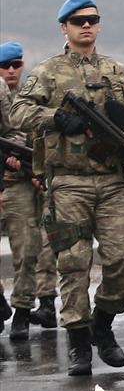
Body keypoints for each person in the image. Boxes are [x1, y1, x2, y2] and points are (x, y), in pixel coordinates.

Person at [11, 0, 124, 376]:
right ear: (65, 28)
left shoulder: (116, 72)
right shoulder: (47, 72)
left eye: (92, 20)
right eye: (78, 22)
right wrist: (55, 118)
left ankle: (102, 323)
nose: (86, 27)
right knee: (72, 263)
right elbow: (21, 111)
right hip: (68, 181)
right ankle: (77, 342)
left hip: (112, 181)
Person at [0, 41, 59, 338]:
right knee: (28, 248)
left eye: (16, 64)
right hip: (9, 184)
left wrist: (33, 168)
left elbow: (36, 137)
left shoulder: (31, 96)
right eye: (5, 66)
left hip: (30, 180)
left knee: (36, 247)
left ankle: (32, 306)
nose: (11, 71)